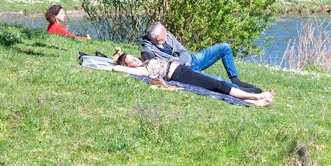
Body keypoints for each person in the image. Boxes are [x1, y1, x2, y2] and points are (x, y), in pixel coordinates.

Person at [110, 51, 273, 106]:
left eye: (134, 57)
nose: (136, 60)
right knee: (218, 85)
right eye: (131, 61)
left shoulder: (144, 61)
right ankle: (258, 96)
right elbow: (116, 68)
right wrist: (119, 62)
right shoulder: (141, 71)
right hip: (180, 75)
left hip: (182, 71)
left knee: (218, 87)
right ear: (129, 66)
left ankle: (255, 101)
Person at [141, 20, 259, 91]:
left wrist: (185, 63)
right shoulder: (148, 51)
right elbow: (156, 68)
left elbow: (183, 51)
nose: (166, 32)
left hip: (191, 60)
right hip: (183, 73)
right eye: (163, 31)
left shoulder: (169, 36)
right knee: (216, 80)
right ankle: (238, 90)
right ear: (156, 37)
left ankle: (235, 80)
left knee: (224, 47)